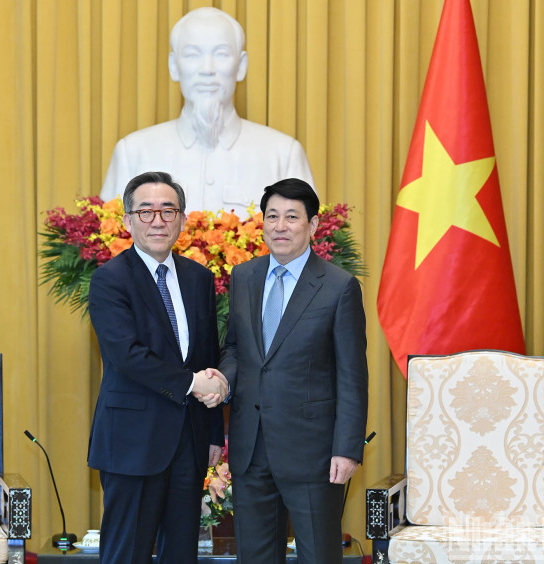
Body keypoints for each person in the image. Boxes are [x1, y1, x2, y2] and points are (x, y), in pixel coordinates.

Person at [218, 178, 369, 564]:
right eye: (272, 216)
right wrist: (222, 381)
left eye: (291, 217)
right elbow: (236, 347)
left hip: (314, 454)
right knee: (255, 556)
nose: (280, 226)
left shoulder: (338, 287)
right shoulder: (244, 278)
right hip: (251, 449)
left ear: (313, 226)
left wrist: (347, 448)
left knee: (318, 555)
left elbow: (352, 374)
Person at [87, 171, 229, 564]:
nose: (158, 220)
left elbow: (207, 357)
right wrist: (191, 384)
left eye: (169, 210)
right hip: (132, 441)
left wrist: (214, 431)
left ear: (183, 220)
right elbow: (125, 354)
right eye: (146, 211)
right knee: (128, 551)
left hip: (190, 440)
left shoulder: (199, 278)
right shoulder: (110, 279)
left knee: (182, 550)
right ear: (128, 220)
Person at [100, 7, 316, 218]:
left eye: (221, 54)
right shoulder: (133, 152)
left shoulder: (283, 154)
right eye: (193, 55)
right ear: (174, 65)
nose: (207, 69)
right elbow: (106, 245)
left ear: (241, 65)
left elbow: (308, 244)